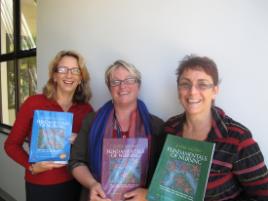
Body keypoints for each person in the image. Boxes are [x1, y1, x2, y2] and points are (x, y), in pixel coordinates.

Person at [164, 55, 268, 200]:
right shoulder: (169, 128)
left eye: (202, 84)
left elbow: (262, 196)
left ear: (214, 91)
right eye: (185, 84)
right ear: (178, 90)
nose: (193, 91)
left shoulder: (238, 138)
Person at [4, 50, 94, 201]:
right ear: (54, 76)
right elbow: (11, 145)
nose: (69, 75)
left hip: (76, 183)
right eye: (62, 69)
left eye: (75, 70)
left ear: (80, 78)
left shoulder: (86, 110)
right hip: (41, 184)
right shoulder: (34, 103)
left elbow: (92, 149)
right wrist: (31, 167)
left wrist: (79, 140)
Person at [69, 60, 164, 201]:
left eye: (129, 80)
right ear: (109, 88)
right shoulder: (92, 121)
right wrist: (92, 184)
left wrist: (148, 193)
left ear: (139, 85)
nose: (122, 86)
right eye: (115, 82)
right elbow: (76, 161)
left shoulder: (156, 126)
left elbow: (165, 174)